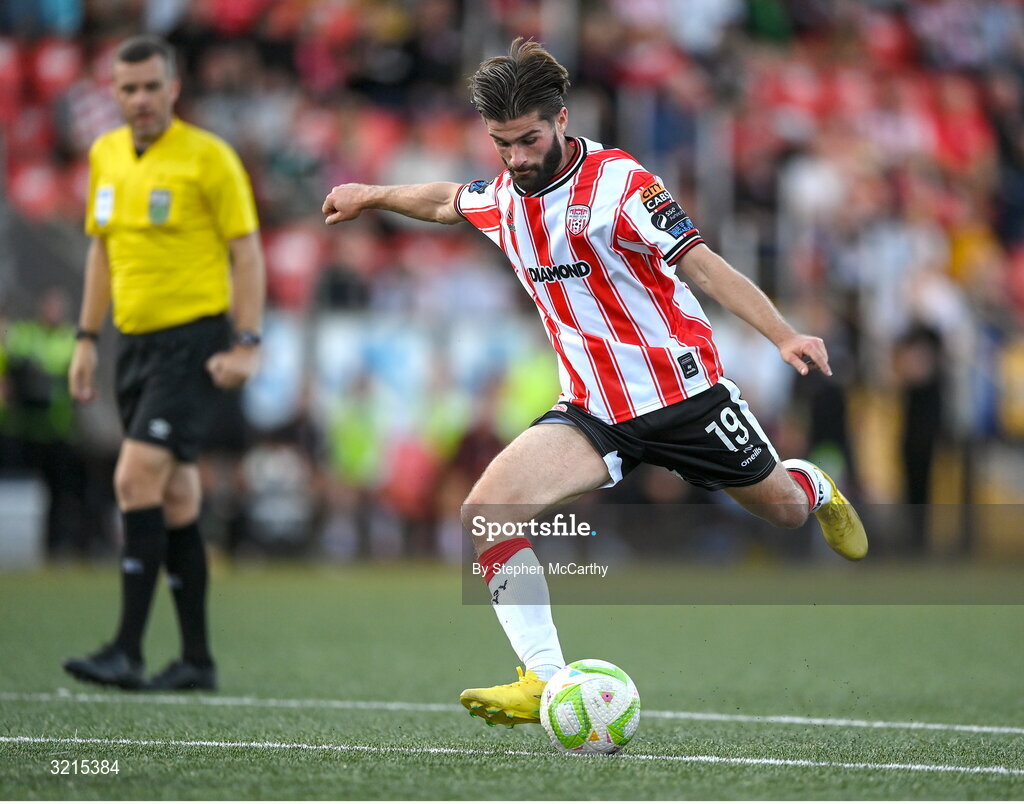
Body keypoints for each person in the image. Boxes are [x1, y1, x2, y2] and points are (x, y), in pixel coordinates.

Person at [321, 38, 867, 727]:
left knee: (783, 511)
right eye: (502, 144)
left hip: (684, 396)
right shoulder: (502, 197)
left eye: (527, 139)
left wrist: (783, 333)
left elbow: (702, 265)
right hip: (592, 410)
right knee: (487, 513)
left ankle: (817, 485)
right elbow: (442, 201)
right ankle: (543, 680)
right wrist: (370, 195)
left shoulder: (621, 184)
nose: (516, 157)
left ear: (561, 119)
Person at [63, 35, 265, 691]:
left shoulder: (209, 158)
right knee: (176, 494)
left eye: (152, 86)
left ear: (173, 88)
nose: (141, 99)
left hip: (194, 341)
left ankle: (126, 648)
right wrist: (87, 337)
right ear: (114, 95)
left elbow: (248, 253)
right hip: (133, 344)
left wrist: (246, 343)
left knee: (133, 479)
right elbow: (100, 251)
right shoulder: (105, 156)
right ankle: (197, 660)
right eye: (129, 89)